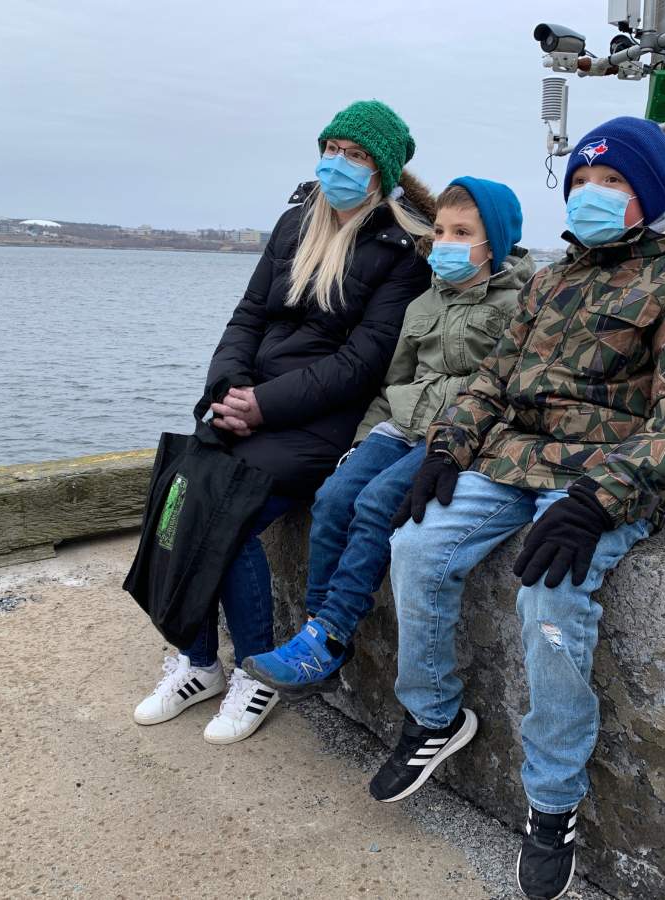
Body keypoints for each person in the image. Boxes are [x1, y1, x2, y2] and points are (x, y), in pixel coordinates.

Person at [369, 117, 665, 900]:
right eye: (580, 182)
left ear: (649, 194)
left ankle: (553, 798)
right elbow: (492, 379)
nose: (590, 194)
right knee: (416, 544)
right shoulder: (549, 281)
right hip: (514, 459)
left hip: (604, 475)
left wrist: (599, 500)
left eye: (612, 182)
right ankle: (434, 716)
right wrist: (446, 447)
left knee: (550, 597)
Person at [133, 100, 434, 745]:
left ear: (381, 169)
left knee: (229, 514)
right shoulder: (296, 222)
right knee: (179, 490)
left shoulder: (402, 249)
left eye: (355, 155)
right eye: (331, 148)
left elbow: (362, 362)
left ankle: (255, 672)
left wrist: (264, 406)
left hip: (321, 423)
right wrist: (228, 389)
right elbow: (248, 316)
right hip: (254, 402)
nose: (338, 163)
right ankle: (198, 662)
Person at [242, 177, 533, 695]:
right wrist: (360, 442)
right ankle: (317, 635)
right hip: (399, 423)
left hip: (453, 433)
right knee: (333, 499)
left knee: (377, 504)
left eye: (462, 232)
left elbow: (505, 387)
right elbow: (394, 382)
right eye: (439, 231)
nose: (445, 243)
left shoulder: (518, 305)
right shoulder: (423, 303)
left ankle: (330, 635)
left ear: (495, 242)